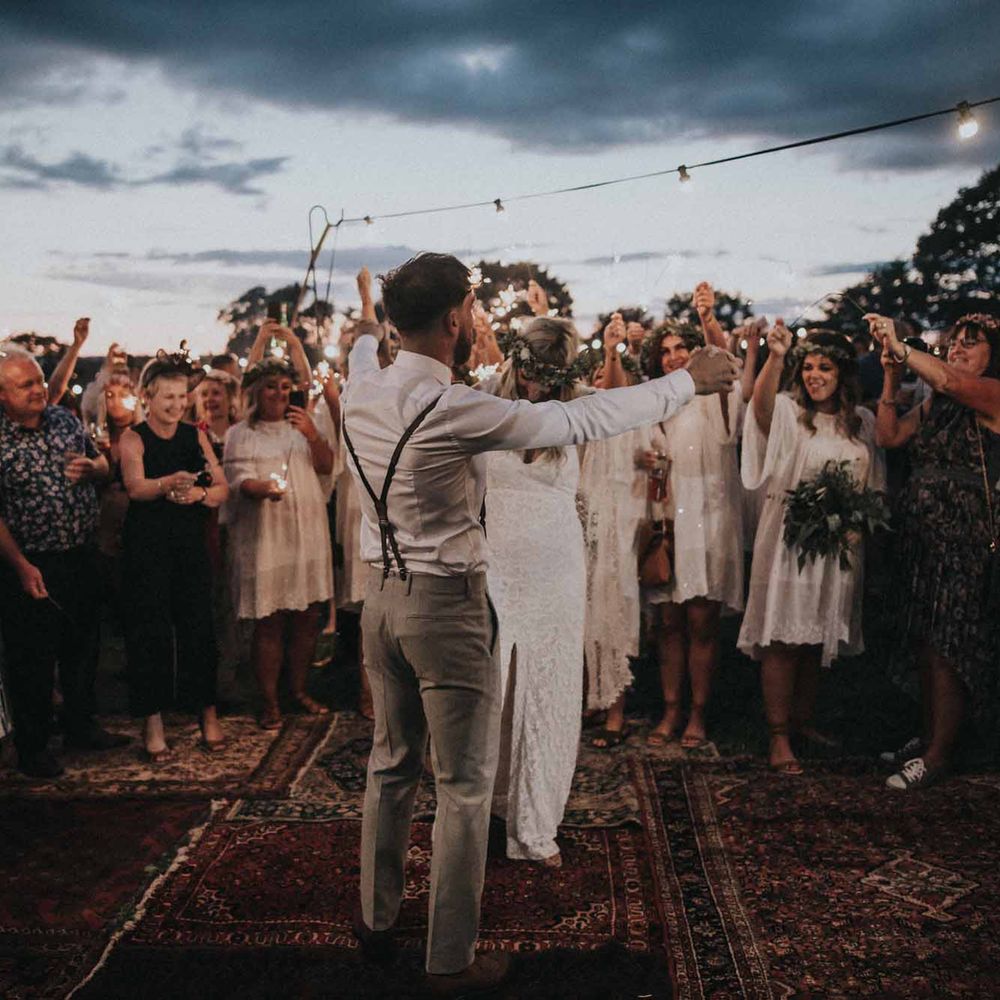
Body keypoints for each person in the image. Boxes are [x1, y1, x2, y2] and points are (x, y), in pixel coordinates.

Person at [341, 252, 739, 996]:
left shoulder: (360, 385)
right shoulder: (450, 406)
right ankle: (450, 960)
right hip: (445, 605)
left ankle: (375, 917)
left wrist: (370, 319)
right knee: (463, 785)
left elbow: (364, 340)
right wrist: (690, 381)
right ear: (457, 319)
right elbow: (579, 414)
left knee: (391, 763)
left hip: (379, 600)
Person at [737, 324, 885, 775]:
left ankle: (803, 723)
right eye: (808, 367)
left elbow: (873, 482)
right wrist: (776, 357)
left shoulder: (862, 421)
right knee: (784, 636)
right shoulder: (787, 411)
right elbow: (757, 408)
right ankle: (778, 736)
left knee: (815, 636)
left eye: (824, 367)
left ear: (843, 372)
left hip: (837, 545)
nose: (815, 375)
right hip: (789, 542)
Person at [871, 312, 1000, 790]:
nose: (957, 350)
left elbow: (947, 376)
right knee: (925, 638)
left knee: (952, 645)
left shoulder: (991, 393)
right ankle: (929, 737)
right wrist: (890, 373)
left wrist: (903, 347)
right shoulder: (938, 403)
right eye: (952, 343)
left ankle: (941, 754)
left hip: (965, 541)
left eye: (971, 344)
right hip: (924, 538)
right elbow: (889, 436)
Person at [480, 315, 589, 867]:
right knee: (488, 688)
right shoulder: (484, 404)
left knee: (548, 686)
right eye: (529, 371)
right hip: (494, 565)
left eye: (548, 376)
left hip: (555, 568)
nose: (535, 386)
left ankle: (537, 823)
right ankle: (485, 808)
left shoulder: (578, 413)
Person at [0, 346, 129, 778]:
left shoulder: (63, 420)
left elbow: (106, 468)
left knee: (83, 644)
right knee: (32, 658)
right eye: (26, 385)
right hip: (30, 561)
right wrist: (21, 565)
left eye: (38, 380)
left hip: (81, 552)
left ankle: (81, 725)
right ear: (2, 395)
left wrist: (95, 467)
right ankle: (33, 747)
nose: (38, 391)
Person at [640, 284, 746, 750]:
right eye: (664, 351)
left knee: (701, 623)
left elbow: (727, 364)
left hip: (706, 520)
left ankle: (699, 713)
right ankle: (670, 709)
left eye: (681, 348)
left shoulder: (716, 400)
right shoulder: (653, 402)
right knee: (667, 624)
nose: (672, 356)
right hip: (665, 524)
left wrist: (708, 320)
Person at [119, 353, 228, 760]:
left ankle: (208, 713)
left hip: (187, 542)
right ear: (148, 396)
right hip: (147, 546)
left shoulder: (194, 435)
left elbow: (221, 487)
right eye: (168, 397)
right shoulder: (134, 438)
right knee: (150, 631)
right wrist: (167, 483)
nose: (177, 404)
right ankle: (153, 721)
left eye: (182, 396)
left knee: (199, 627)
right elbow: (135, 487)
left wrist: (200, 494)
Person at [222, 357, 336, 729]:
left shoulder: (303, 426)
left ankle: (299, 691)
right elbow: (238, 479)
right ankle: (270, 701)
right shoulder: (242, 432)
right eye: (272, 386)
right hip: (266, 533)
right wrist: (262, 488)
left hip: (306, 530)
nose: (279, 393)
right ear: (256, 390)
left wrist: (312, 435)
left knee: (306, 618)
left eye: (286, 387)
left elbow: (326, 466)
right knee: (269, 620)